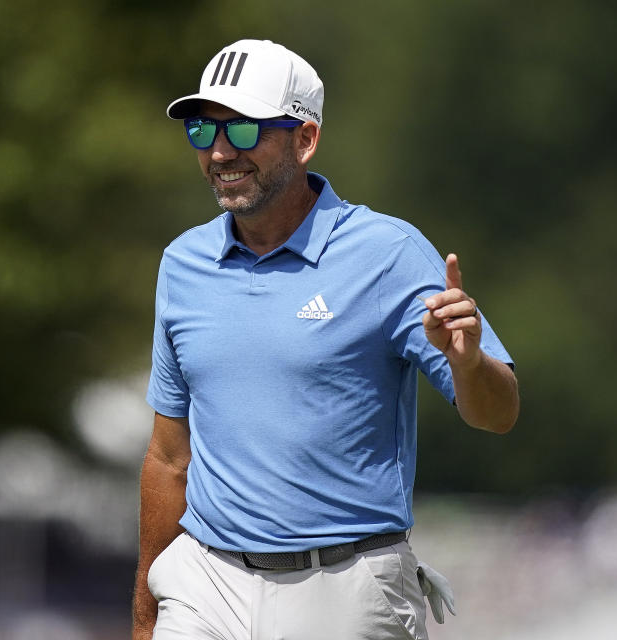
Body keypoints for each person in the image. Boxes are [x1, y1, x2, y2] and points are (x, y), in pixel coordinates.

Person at [133, 39, 519, 640]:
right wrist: (145, 618)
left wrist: (469, 366)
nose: (217, 152)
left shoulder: (388, 254)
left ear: (305, 139)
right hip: (206, 583)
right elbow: (167, 457)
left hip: (346, 584)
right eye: (202, 131)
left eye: (242, 131)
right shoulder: (183, 263)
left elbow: (498, 414)